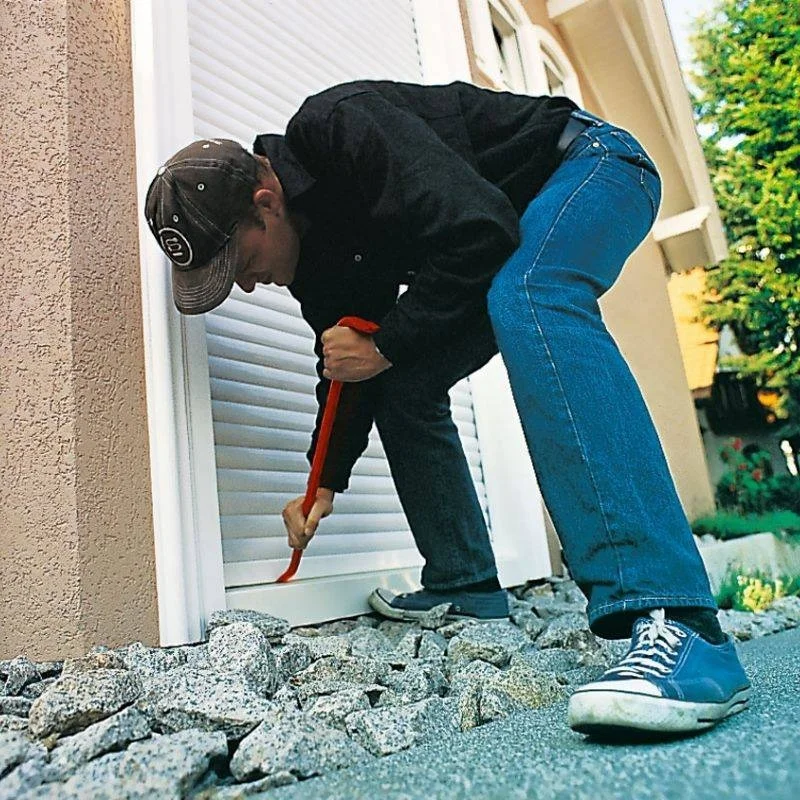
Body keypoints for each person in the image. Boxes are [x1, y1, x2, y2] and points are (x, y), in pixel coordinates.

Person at [144, 78, 750, 737]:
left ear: (266, 201)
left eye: (238, 259)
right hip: (504, 240)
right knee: (405, 382)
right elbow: (351, 367)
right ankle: (465, 583)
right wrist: (323, 483)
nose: (244, 283)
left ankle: (680, 624)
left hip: (592, 167)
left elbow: (481, 229)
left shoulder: (342, 128)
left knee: (533, 295)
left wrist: (386, 346)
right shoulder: (313, 255)